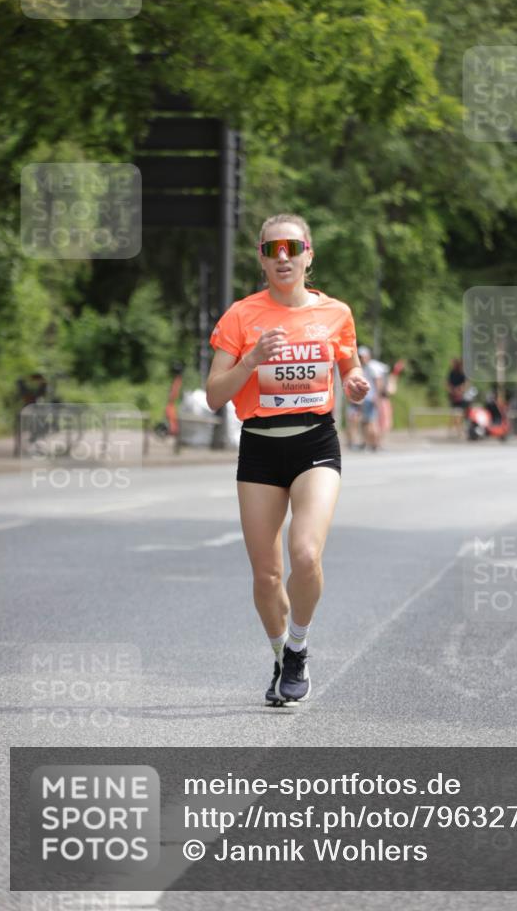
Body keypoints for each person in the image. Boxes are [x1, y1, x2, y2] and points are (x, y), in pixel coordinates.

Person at [206, 213, 370, 705]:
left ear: (308, 255)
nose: (283, 258)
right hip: (259, 444)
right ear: (260, 256)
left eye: (292, 248)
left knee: (305, 554)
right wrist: (251, 361)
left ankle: (298, 648)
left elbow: (351, 368)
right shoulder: (240, 316)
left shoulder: (336, 313)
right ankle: (281, 654)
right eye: (272, 249)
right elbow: (215, 395)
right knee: (267, 574)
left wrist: (357, 384)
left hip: (315, 442)